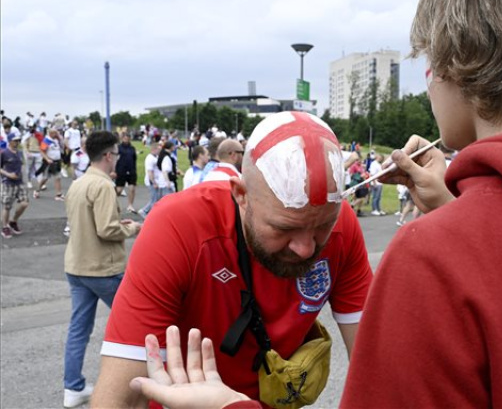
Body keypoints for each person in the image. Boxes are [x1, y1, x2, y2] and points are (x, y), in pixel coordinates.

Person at [127, 0, 502, 408]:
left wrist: (228, 406)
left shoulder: (435, 259)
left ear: (461, 63)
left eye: (429, 65)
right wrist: (459, 211)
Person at [91, 111, 373, 407]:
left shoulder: (342, 226)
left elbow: (376, 366)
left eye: (321, 226)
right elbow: (121, 398)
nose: (305, 248)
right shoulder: (178, 226)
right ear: (241, 194)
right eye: (284, 228)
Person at [62, 131, 141, 408]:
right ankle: (140, 385)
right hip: (103, 268)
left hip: (76, 264)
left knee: (78, 328)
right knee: (139, 322)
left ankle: (73, 387)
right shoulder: (104, 185)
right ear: (108, 156)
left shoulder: (78, 182)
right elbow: (107, 229)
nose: (117, 159)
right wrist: (131, 228)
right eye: (116, 154)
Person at [0, 133, 29, 238]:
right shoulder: (4, 153)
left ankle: (13, 221)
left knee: (24, 203)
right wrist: (8, 175)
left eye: (18, 141)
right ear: (10, 141)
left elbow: (22, 166)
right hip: (8, 183)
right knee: (7, 206)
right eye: (15, 140)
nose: (17, 143)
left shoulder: (20, 153)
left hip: (19, 182)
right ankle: (5, 227)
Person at [34, 127, 64, 201]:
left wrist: (59, 137)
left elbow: (62, 145)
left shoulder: (56, 140)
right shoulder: (46, 140)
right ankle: (37, 190)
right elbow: (42, 151)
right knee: (45, 178)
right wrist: (47, 159)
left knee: (57, 177)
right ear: (51, 133)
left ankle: (58, 194)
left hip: (57, 161)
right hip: (49, 162)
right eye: (55, 133)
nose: (56, 134)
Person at [114, 132, 138, 213]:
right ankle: (113, 204)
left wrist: (134, 171)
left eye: (127, 137)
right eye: (124, 138)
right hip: (121, 171)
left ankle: (130, 205)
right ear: (122, 139)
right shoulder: (118, 148)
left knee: (132, 189)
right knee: (119, 190)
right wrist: (114, 171)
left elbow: (134, 160)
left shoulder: (132, 148)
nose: (126, 139)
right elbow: (115, 160)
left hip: (131, 171)